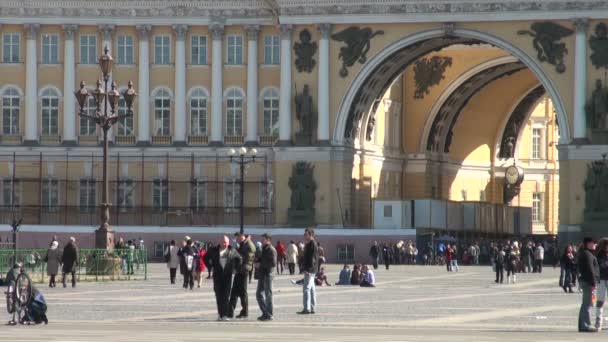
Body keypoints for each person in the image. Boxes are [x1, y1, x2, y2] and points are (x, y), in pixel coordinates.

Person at [204, 235, 242, 321]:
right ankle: (220, 314)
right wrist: (210, 266)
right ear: (220, 242)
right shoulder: (213, 250)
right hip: (217, 275)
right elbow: (205, 257)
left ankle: (224, 314)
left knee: (226, 295)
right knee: (218, 295)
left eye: (226, 242)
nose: (225, 243)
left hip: (227, 276)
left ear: (229, 243)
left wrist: (235, 269)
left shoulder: (232, 250)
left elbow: (240, 259)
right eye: (223, 242)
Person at [229, 232, 255, 319]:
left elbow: (248, 258)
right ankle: (230, 312)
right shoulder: (242, 244)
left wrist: (237, 255)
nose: (237, 239)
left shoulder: (249, 245)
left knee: (243, 292)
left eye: (238, 237)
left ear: (243, 236)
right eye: (236, 237)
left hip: (244, 270)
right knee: (234, 291)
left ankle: (245, 312)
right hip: (239, 270)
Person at [578, 237, 600, 332]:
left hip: (587, 281)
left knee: (586, 303)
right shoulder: (587, 254)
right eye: (593, 243)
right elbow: (590, 269)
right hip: (588, 282)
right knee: (588, 304)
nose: (595, 245)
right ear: (588, 244)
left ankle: (583, 324)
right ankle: (585, 325)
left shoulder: (586, 254)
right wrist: (593, 282)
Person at [297, 227, 319, 315]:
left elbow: (312, 258)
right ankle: (312, 307)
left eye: (306, 234)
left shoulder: (312, 244)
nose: (304, 236)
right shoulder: (310, 243)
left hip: (310, 269)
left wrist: (308, 270)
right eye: (304, 234)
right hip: (312, 269)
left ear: (311, 235)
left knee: (306, 288)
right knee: (312, 288)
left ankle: (307, 308)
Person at [256, 233, 277, 321]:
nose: (262, 241)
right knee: (258, 294)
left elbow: (273, 263)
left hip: (268, 274)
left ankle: (269, 314)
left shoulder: (271, 249)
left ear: (268, 240)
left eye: (263, 239)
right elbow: (262, 259)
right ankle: (265, 312)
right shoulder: (263, 249)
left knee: (268, 295)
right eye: (262, 239)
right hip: (262, 274)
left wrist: (261, 264)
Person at [596, 238, 608, 329]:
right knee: (600, 300)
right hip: (602, 279)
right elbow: (601, 266)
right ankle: (598, 321)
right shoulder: (599, 255)